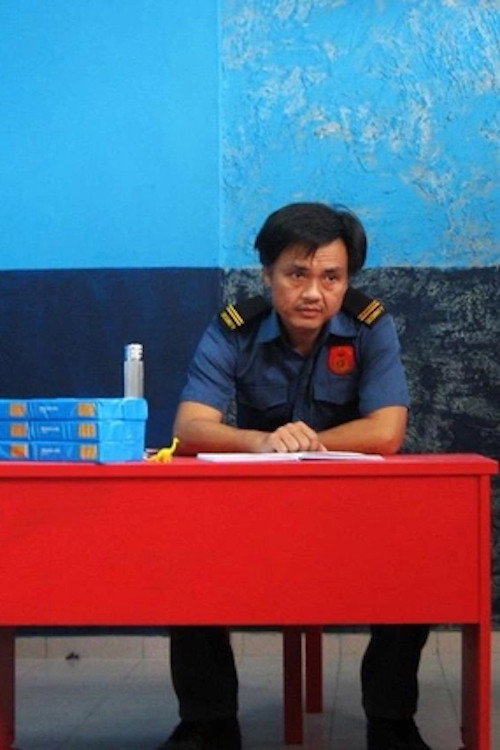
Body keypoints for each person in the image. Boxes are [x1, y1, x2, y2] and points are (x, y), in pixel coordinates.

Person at [159, 202, 431, 750]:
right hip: (257, 511)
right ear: (268, 274)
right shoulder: (234, 330)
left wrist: (310, 443)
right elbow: (189, 428)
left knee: (417, 564)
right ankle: (209, 723)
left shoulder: (370, 326)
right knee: (186, 560)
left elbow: (387, 431)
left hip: (352, 513)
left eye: (331, 277)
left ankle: (391, 722)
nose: (313, 293)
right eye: (296, 274)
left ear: (347, 279)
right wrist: (261, 442)